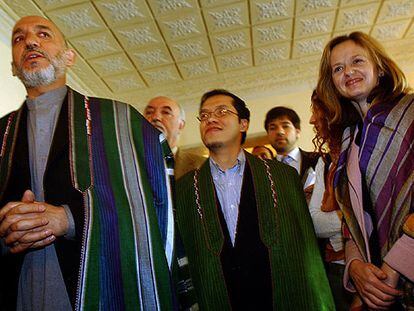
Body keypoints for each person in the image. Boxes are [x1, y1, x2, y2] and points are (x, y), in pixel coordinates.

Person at [0, 16, 176, 310]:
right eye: (19, 38)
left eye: (43, 34)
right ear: (13, 67)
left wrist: (68, 219)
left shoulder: (121, 122)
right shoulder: (2, 133)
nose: (30, 41)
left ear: (69, 57)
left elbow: (156, 215)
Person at [175, 89, 335, 310]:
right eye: (204, 115)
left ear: (243, 124)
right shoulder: (183, 190)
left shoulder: (282, 176)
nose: (210, 118)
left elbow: (304, 252)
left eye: (221, 111)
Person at [316, 31, 414, 310]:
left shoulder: (412, 112)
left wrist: (396, 266)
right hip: (378, 286)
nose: (348, 71)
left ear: (379, 68)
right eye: (338, 68)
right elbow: (351, 221)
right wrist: (356, 266)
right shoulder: (348, 139)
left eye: (357, 60)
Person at [309, 90, 353, 310]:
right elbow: (316, 223)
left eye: (316, 111)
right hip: (337, 271)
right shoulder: (324, 162)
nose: (311, 119)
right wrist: (351, 217)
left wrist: (344, 217)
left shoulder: (362, 151)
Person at [144, 96, 205, 179]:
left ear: (180, 125)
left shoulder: (202, 165)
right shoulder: (126, 164)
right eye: (149, 112)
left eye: (166, 112)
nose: (156, 117)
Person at [264, 106, 318, 186]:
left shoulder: (318, 159)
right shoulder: (264, 169)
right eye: (273, 128)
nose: (280, 132)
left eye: (285, 126)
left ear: (297, 132)